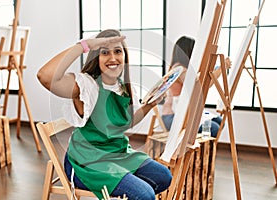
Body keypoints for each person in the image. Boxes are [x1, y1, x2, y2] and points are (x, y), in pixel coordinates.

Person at [37, 29, 172, 200]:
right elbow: (45, 76)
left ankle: (127, 186)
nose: (113, 58)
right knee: (145, 194)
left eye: (117, 51)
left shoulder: (122, 87)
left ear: (124, 56)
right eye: (104, 52)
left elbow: (126, 123)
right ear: (96, 57)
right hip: (87, 162)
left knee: (163, 177)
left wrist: (151, 103)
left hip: (117, 153)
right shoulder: (86, 85)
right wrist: (85, 45)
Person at [161, 36, 231, 137]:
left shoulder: (186, 68)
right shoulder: (179, 69)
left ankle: (203, 151)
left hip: (184, 113)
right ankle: (199, 151)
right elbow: (200, 86)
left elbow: (204, 82)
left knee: (219, 121)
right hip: (173, 117)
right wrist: (220, 69)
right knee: (214, 128)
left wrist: (218, 69)